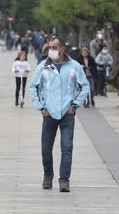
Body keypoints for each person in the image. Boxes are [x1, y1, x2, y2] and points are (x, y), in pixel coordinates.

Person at [29, 36, 90, 193]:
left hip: (67, 114)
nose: (51, 50)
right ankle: (48, 174)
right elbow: (33, 87)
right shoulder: (43, 66)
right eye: (50, 47)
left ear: (62, 49)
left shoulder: (74, 66)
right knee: (45, 148)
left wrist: (75, 104)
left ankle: (64, 180)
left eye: (55, 47)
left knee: (67, 147)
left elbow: (84, 86)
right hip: (49, 114)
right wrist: (41, 108)